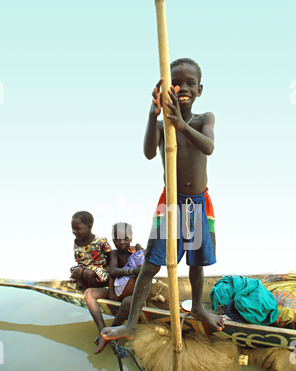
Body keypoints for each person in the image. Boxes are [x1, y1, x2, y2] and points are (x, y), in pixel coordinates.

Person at [102, 58, 224, 343]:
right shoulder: (161, 126)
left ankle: (196, 307)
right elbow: (147, 152)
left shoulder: (204, 118)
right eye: (176, 83)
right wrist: (151, 114)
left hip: (197, 203)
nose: (183, 88)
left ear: (200, 89)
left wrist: (181, 125)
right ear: (167, 89)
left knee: (197, 261)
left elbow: (208, 147)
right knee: (151, 265)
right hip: (171, 203)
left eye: (190, 83)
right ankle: (130, 325)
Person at [85, 222, 144, 354]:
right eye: (117, 239)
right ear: (113, 240)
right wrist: (132, 271)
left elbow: (144, 271)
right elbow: (112, 272)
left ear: (131, 238)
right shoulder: (114, 254)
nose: (122, 242)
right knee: (89, 293)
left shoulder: (137, 252)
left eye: (126, 239)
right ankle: (102, 330)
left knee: (128, 302)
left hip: (130, 293)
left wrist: (140, 255)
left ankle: (110, 332)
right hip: (115, 291)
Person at [70, 211, 111, 289]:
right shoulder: (77, 243)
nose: (74, 232)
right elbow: (79, 261)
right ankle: (85, 288)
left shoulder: (100, 241)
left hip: (100, 271)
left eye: (78, 229)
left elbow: (110, 255)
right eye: (73, 229)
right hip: (85, 269)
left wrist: (112, 273)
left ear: (89, 226)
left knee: (88, 273)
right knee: (77, 271)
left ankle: (98, 289)